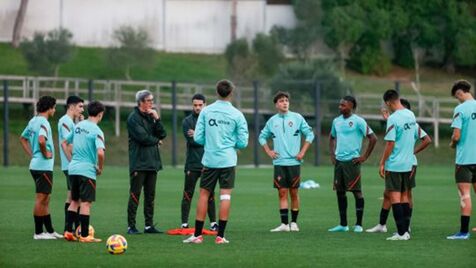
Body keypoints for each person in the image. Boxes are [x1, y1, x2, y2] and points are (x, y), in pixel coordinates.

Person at [183, 79, 249, 244]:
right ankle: (221, 236)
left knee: (204, 195)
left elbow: (197, 137)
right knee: (225, 197)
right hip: (228, 161)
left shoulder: (206, 111)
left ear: (217, 92)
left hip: (210, 160)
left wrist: (212, 142)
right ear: (231, 93)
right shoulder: (237, 114)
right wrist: (230, 143)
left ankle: (197, 235)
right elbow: (243, 143)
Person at [367, 99, 431, 233]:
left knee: (405, 195)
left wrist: (413, 151)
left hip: (406, 164)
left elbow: (427, 140)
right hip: (399, 163)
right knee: (388, 194)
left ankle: (405, 227)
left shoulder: (412, 123)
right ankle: (382, 224)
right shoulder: (400, 120)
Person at [258, 91, 314, 232]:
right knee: (282, 193)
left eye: (286, 100)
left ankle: (294, 223)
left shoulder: (297, 118)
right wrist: (268, 151)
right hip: (279, 163)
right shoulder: (272, 121)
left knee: (294, 193)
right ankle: (284, 224)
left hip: (294, 163)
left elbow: (310, 134)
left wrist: (302, 152)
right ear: (276, 104)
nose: (285, 103)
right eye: (281, 101)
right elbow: (262, 137)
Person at [328, 96, 377, 233]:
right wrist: (332, 154)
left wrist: (364, 157)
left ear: (351, 106)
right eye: (340, 105)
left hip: (353, 162)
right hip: (339, 162)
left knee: (357, 192)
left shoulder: (358, 121)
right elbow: (331, 137)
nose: (340, 107)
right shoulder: (336, 121)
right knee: (340, 192)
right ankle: (343, 225)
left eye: (343, 105)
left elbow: (373, 138)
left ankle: (359, 224)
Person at [20, 96, 63, 240]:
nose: (55, 110)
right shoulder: (44, 122)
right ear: (49, 108)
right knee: (41, 198)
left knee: (46, 198)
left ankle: (49, 231)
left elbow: (23, 138)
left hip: (36, 165)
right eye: (54, 107)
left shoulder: (33, 121)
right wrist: (44, 153)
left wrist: (33, 154)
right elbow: (41, 140)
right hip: (43, 166)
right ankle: (38, 233)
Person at [379, 89, 419, 241]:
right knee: (404, 197)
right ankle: (405, 231)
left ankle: (402, 234)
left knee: (394, 197)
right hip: (408, 163)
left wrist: (382, 162)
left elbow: (390, 143)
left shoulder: (393, 118)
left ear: (388, 102)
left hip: (395, 163)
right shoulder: (410, 114)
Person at [64, 101, 105, 242]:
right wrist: (100, 168)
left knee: (74, 201)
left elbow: (65, 142)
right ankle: (85, 235)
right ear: (100, 115)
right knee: (86, 203)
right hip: (87, 171)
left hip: (73, 169)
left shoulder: (78, 126)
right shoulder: (97, 131)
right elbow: (100, 153)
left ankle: (68, 232)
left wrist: (71, 158)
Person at [126, 90, 167, 234]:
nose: (151, 103)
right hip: (139, 162)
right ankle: (131, 226)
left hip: (152, 162)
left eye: (152, 100)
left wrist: (157, 119)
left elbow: (163, 134)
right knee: (135, 194)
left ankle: (148, 226)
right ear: (141, 102)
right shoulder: (133, 118)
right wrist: (157, 141)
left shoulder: (151, 116)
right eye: (149, 100)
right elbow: (143, 137)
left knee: (150, 196)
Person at [181, 93, 217, 230]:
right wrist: (203, 136)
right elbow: (193, 141)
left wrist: (196, 133)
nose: (197, 108)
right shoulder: (186, 121)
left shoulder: (211, 120)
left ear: (205, 105)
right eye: (195, 105)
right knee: (187, 193)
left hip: (208, 163)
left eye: (200, 105)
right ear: (192, 105)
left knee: (210, 194)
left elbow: (212, 139)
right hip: (192, 163)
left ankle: (213, 223)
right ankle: (184, 223)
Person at [447, 80, 476, 240]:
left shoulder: (460, 109)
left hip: (465, 160)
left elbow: (456, 136)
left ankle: (464, 232)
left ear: (459, 92)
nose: (457, 100)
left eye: (457, 96)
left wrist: (452, 143)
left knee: (465, 195)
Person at [58, 96, 84, 232]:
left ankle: (70, 228)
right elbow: (66, 145)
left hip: (71, 165)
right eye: (80, 106)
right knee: (76, 198)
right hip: (71, 165)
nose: (82, 109)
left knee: (71, 196)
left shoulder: (72, 122)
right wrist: (73, 161)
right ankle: (72, 228)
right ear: (71, 106)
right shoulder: (65, 121)